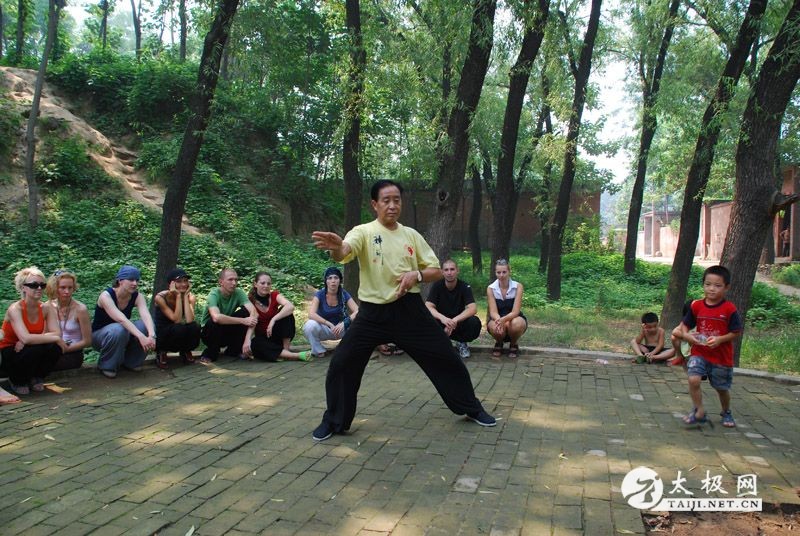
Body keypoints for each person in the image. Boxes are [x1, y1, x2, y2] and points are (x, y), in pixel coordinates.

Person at [310, 179, 496, 442]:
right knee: (342, 362)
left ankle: (471, 408)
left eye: (396, 200)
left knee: (445, 356)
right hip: (372, 314)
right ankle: (334, 421)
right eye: (386, 200)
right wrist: (337, 248)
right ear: (374, 204)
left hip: (410, 311)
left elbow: (435, 270)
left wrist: (416, 275)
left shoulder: (411, 235)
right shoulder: (363, 232)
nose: (392, 205)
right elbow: (345, 252)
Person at [679, 265, 743, 428]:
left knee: (721, 388)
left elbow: (736, 332)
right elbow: (685, 324)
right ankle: (699, 410)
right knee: (693, 379)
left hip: (721, 357)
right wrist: (687, 335)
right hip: (699, 352)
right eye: (708, 284)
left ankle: (726, 411)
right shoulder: (696, 306)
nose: (711, 289)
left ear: (726, 287)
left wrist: (720, 339)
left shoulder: (729, 309)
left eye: (717, 285)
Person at [0, 267, 63, 394]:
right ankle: (17, 380)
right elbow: (26, 338)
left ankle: (36, 377)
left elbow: (57, 333)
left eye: (42, 285)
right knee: (35, 349)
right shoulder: (15, 309)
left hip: (28, 347)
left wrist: (28, 339)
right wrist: (27, 340)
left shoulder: (46, 308)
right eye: (34, 285)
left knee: (55, 348)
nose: (39, 288)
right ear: (23, 287)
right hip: (10, 351)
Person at [92, 265, 156, 378]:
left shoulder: (138, 296)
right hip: (101, 336)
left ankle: (132, 362)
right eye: (131, 280)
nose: (135, 283)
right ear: (120, 281)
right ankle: (107, 366)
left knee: (145, 326)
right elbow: (121, 319)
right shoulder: (106, 296)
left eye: (137, 280)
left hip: (122, 333)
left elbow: (146, 315)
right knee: (118, 329)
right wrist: (141, 337)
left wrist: (151, 335)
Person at [247, 271, 312, 362]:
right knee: (255, 343)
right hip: (264, 339)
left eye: (268, 283)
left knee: (286, 313)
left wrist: (273, 320)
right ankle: (293, 355)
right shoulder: (249, 301)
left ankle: (286, 350)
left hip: (279, 335)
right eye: (262, 283)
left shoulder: (274, 295)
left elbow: (290, 306)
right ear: (255, 284)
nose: (266, 286)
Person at [425, 259, 481, 359]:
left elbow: (473, 308)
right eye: (446, 270)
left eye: (452, 269)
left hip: (458, 323)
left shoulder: (464, 286)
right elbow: (428, 306)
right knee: (427, 320)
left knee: (474, 322)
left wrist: (454, 321)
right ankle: (442, 343)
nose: (449, 272)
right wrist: (443, 319)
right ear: (442, 272)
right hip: (442, 322)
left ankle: (461, 342)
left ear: (457, 271)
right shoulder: (437, 286)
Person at [199, 268, 256, 364]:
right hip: (209, 333)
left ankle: (233, 350)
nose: (234, 283)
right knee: (213, 321)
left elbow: (254, 312)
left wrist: (247, 339)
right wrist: (243, 321)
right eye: (230, 280)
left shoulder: (238, 293)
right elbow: (216, 318)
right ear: (221, 282)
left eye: (236, 280)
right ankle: (210, 353)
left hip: (226, 330)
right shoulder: (213, 294)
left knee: (246, 312)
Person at [303, 267, 359, 358]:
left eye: (336, 278)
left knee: (359, 324)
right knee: (309, 325)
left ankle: (348, 347)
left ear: (340, 281)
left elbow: (358, 310)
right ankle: (318, 350)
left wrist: (345, 322)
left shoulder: (344, 293)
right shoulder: (320, 294)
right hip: (325, 328)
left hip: (341, 329)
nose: (333, 281)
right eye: (330, 278)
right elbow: (311, 314)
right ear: (326, 281)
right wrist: (328, 323)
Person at [153, 268, 201, 369]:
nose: (183, 284)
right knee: (178, 328)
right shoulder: (160, 297)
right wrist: (178, 296)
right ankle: (162, 352)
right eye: (179, 281)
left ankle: (185, 350)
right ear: (171, 284)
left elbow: (189, 320)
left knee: (194, 326)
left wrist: (185, 296)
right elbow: (176, 320)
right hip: (163, 332)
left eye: (185, 281)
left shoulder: (191, 297)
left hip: (177, 329)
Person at [44, 269, 92, 371]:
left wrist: (66, 349)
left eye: (70, 288)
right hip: (52, 350)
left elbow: (87, 341)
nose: (67, 291)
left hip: (73, 353)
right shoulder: (47, 306)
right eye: (63, 287)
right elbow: (44, 334)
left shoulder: (80, 309)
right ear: (55, 288)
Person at [486, 258, 528, 358]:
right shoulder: (490, 288)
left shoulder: (518, 286)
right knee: (494, 326)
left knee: (516, 324)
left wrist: (504, 321)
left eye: (504, 272)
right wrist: (499, 321)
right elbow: (493, 312)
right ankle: (499, 342)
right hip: (498, 317)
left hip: (514, 317)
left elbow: (516, 311)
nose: (501, 275)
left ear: (509, 271)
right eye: (498, 272)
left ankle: (513, 343)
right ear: (495, 273)